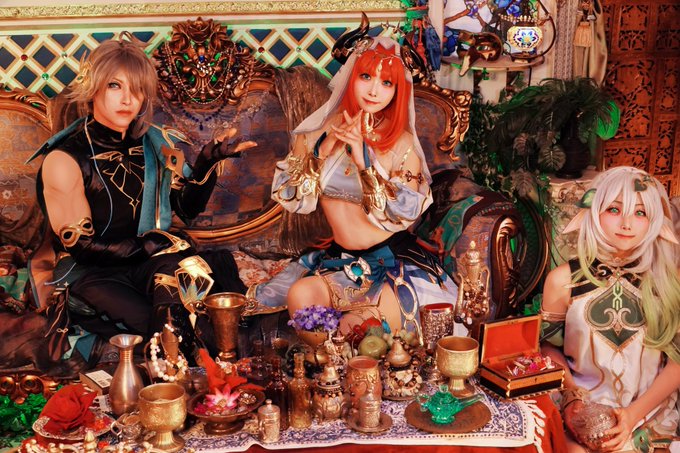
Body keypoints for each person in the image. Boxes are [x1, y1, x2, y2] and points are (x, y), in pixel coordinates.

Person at [29, 33, 250, 366]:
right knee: (169, 326)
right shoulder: (64, 160)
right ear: (93, 88)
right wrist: (147, 244)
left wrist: (206, 165)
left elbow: (186, 209)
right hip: (92, 273)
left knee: (181, 276)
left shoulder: (155, 144)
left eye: (137, 89)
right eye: (115, 86)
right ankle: (178, 373)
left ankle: (180, 377)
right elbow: (83, 248)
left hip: (148, 265)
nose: (128, 99)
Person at [248, 37, 461, 337]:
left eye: (386, 83)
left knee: (358, 332)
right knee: (300, 296)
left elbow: (401, 214)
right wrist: (321, 153)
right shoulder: (315, 134)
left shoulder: (402, 146)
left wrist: (364, 163)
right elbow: (293, 197)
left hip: (392, 262)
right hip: (340, 261)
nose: (374, 91)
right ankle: (330, 365)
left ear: (397, 90)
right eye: (366, 77)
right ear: (351, 77)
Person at [540, 166, 680, 452]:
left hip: (649, 415)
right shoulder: (562, 281)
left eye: (640, 213)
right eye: (614, 210)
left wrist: (632, 416)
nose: (627, 224)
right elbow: (548, 348)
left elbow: (677, 362)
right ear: (593, 212)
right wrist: (572, 399)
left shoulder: (668, 283)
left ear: (655, 220)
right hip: (579, 411)